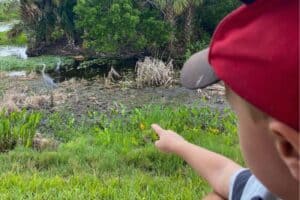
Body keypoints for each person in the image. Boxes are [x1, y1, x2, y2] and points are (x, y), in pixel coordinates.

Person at [151, 0, 299, 199]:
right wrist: (179, 145)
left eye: (237, 117)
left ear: (288, 147)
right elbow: (224, 173)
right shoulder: (276, 187)